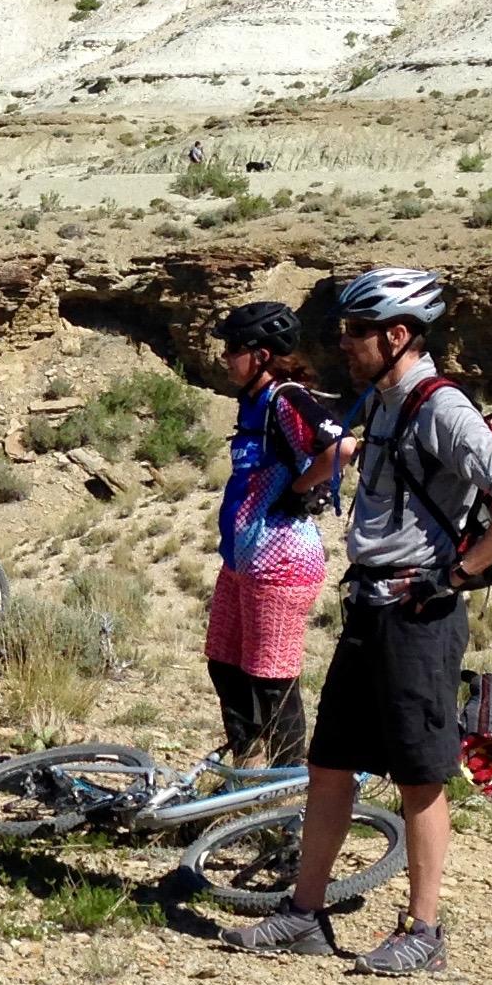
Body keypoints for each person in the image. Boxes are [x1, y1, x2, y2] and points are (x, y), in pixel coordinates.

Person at [222, 268, 492, 976]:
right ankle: (304, 916)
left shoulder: (439, 406)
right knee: (330, 764)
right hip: (371, 605)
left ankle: (424, 930)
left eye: (356, 331)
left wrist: (456, 577)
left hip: (418, 614)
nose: (343, 344)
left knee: (419, 774)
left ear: (397, 335)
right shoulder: (387, 400)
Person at [205, 302, 343, 767]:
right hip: (243, 560)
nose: (225, 357)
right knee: (223, 661)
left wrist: (300, 489)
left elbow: (341, 446)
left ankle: (285, 787)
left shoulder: (286, 397)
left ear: (261, 355)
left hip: (281, 563)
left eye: (233, 348)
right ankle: (248, 762)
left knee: (272, 677)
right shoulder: (254, 402)